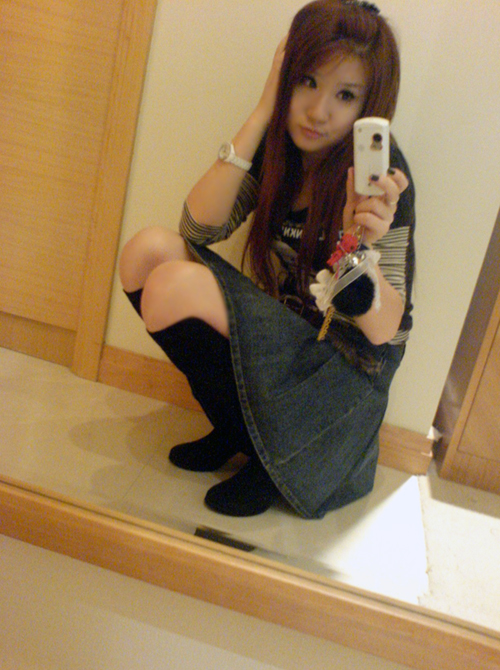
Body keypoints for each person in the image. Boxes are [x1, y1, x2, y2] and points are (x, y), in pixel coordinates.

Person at [119, 0, 416, 519]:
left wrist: (360, 246)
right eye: (307, 81)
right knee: (147, 253)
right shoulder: (280, 149)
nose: (318, 111)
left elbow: (383, 331)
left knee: (174, 287)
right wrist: (262, 113)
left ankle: (268, 461)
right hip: (288, 347)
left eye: (345, 95)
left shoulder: (380, 177)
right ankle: (239, 432)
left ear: (370, 105)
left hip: (337, 383)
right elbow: (198, 229)